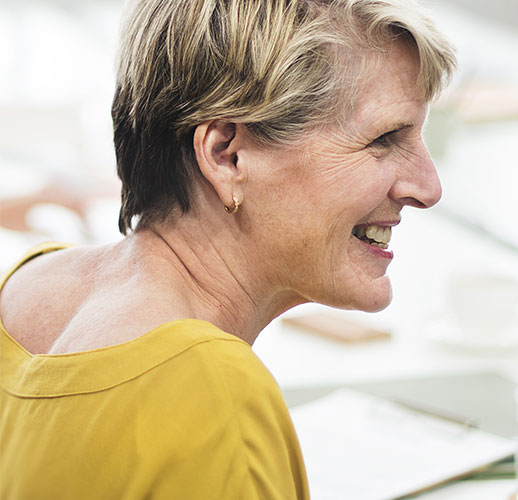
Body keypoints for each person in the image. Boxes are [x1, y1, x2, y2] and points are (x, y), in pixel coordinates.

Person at [0, 0, 455, 497]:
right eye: (385, 137)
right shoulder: (208, 390)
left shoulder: (25, 284)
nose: (427, 187)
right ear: (226, 155)